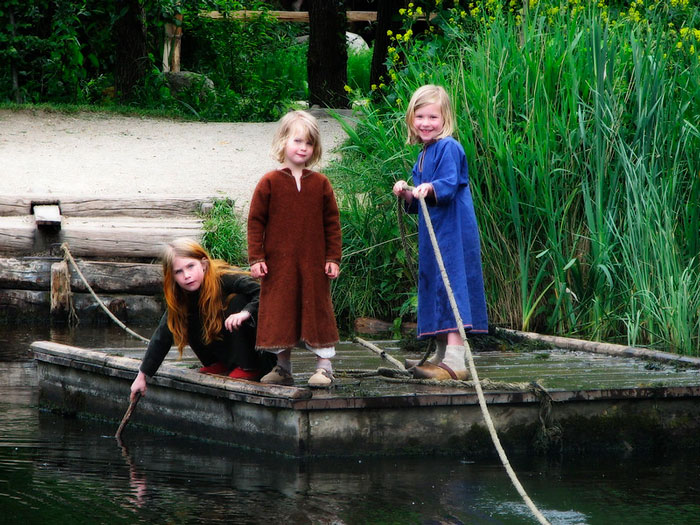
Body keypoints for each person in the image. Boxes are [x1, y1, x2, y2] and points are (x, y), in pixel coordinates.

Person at [392, 84, 488, 381]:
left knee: (451, 284)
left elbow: (447, 184)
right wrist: (407, 194)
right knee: (434, 283)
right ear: (411, 118)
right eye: (420, 116)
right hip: (434, 233)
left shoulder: (449, 147)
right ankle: (439, 352)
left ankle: (456, 359)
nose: (425, 123)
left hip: (453, 232)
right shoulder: (422, 154)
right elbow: (419, 202)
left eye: (433, 117)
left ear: (445, 119)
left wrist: (431, 187)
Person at [247, 110, 342, 388]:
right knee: (280, 311)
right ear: (282, 143)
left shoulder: (321, 184)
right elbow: (255, 222)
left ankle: (324, 367)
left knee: (317, 311)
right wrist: (256, 257)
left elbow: (332, 223)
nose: (303, 148)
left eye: (309, 143)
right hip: (279, 265)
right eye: (297, 141)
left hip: (313, 264)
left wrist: (332, 257)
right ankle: (283, 367)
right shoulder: (269, 182)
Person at [129, 238, 275, 402]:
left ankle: (248, 367)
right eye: (179, 272)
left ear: (204, 264)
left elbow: (263, 293)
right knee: (180, 316)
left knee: (237, 302)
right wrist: (142, 376)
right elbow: (162, 337)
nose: (187, 276)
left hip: (258, 355)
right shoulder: (180, 296)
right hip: (224, 352)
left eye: (190, 266)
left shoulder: (225, 277)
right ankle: (216, 363)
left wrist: (246, 312)